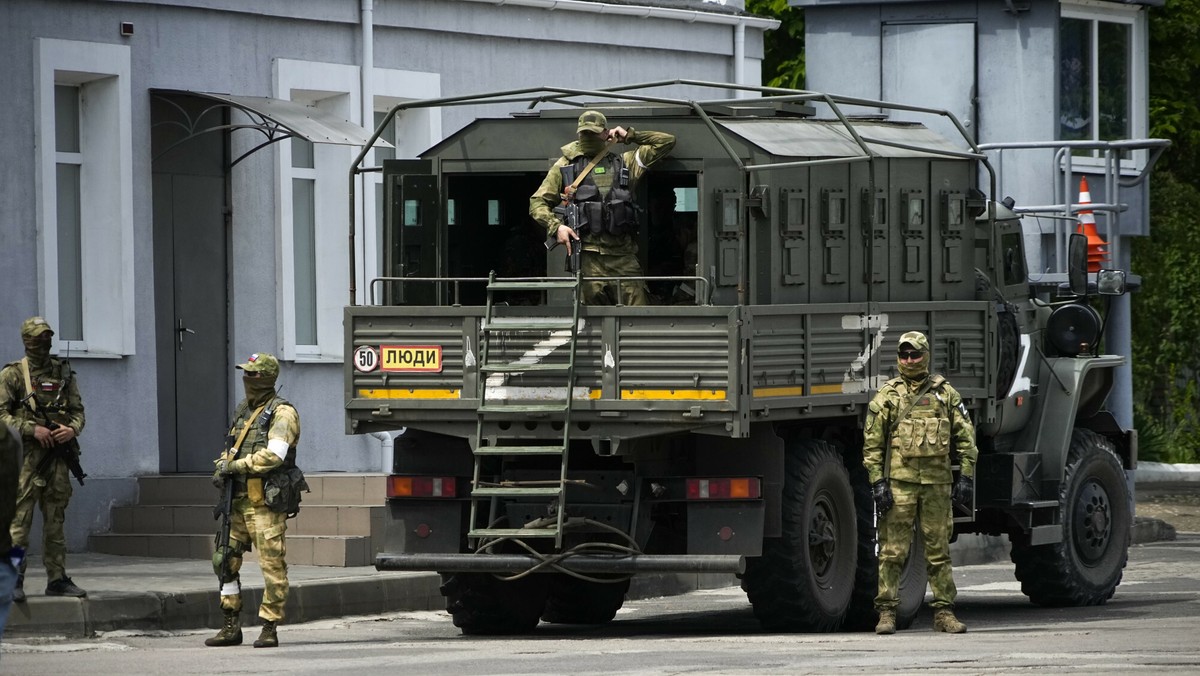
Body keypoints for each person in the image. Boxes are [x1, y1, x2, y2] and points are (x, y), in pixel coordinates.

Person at [862, 331, 977, 634]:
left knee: (938, 550)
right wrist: (878, 483)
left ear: (926, 355)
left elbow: (966, 437)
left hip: (937, 485)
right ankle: (886, 612)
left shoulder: (945, 394)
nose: (909, 360)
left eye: (914, 354)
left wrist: (965, 475)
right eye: (904, 354)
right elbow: (872, 445)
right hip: (900, 484)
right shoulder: (888, 395)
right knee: (892, 551)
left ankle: (944, 613)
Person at [530, 110, 675, 305]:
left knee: (638, 319)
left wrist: (630, 136)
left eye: (593, 133)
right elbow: (537, 203)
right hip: (588, 258)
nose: (588, 137)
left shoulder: (626, 162)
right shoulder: (565, 165)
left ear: (606, 133)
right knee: (592, 325)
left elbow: (666, 142)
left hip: (623, 257)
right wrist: (557, 227)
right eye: (585, 133)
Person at [205, 353, 300, 649]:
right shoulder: (244, 410)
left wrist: (236, 466)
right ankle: (231, 623)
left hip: (264, 503)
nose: (248, 380)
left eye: (254, 375)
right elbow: (232, 448)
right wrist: (222, 464)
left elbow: (275, 455)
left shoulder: (282, 414)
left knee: (272, 565)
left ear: (269, 378)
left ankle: (269, 625)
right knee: (224, 561)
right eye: (247, 374)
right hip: (237, 500)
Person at [1, 316, 86, 601]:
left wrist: (70, 429)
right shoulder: (13, 374)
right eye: (38, 338)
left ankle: (57, 579)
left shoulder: (63, 373)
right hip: (25, 460)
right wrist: (32, 428)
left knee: (55, 520)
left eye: (47, 337)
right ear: (26, 340)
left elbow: (78, 411)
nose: (44, 343)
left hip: (58, 460)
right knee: (19, 522)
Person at [0, 423, 23, 639]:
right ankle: (18, 576)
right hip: (4, 563)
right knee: (20, 529)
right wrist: (34, 429)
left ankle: (57, 577)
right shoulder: (11, 437)